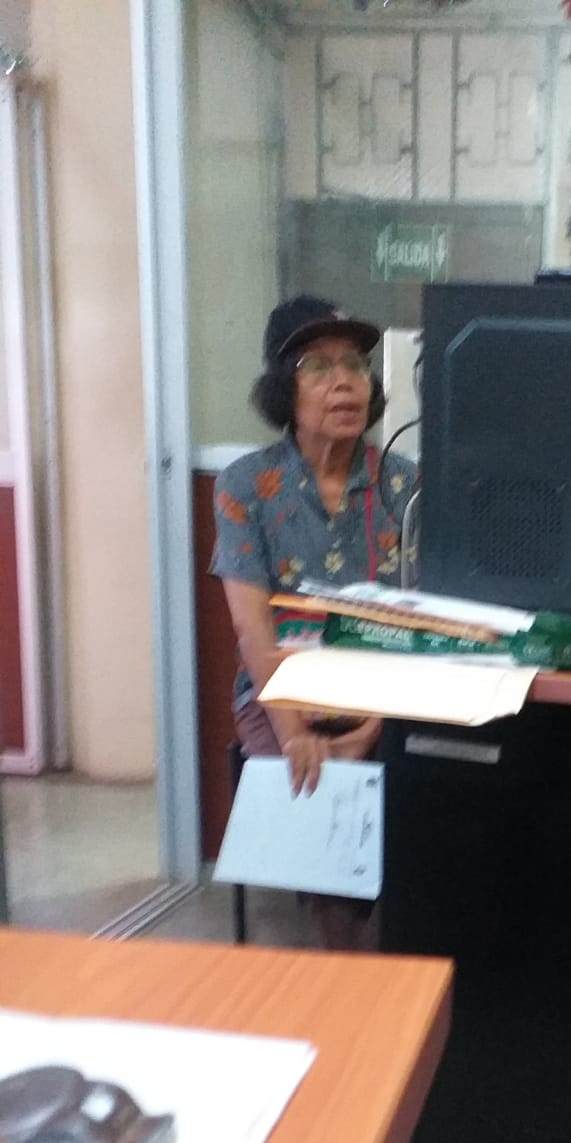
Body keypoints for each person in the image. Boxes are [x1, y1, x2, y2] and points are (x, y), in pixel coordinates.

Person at [210, 295, 417, 948]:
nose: (344, 381)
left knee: (436, 784)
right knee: (323, 794)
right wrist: (296, 731)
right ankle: (344, 968)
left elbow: (427, 629)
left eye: (355, 363)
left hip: (388, 694)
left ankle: (408, 958)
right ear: (282, 387)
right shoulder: (246, 485)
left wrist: (375, 725)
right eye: (318, 366)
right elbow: (253, 631)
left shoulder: (406, 485)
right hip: (281, 694)